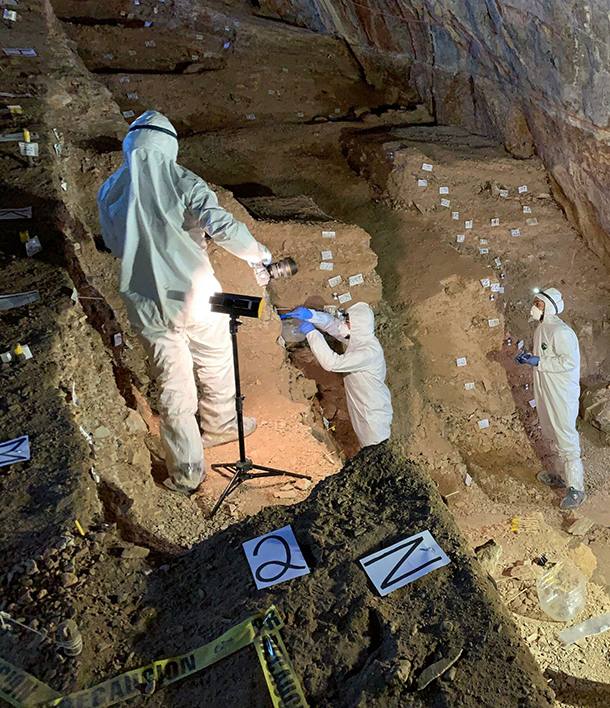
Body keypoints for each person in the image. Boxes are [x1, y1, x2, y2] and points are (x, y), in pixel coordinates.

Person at [97, 110, 273, 494]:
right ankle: (222, 424)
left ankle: (188, 470)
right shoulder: (183, 181)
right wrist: (258, 253)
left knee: (172, 383)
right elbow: (222, 226)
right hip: (196, 295)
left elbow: (112, 243)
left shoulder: (111, 189)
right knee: (215, 356)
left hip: (145, 300)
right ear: (168, 147)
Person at [280, 303, 392, 448]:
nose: (344, 323)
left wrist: (311, 333)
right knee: (365, 444)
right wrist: (312, 315)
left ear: (359, 325)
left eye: (348, 321)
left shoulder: (368, 351)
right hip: (361, 404)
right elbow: (334, 326)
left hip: (372, 412)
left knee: (374, 449)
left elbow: (332, 363)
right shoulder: (359, 338)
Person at [515, 288, 585, 509]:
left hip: (562, 393)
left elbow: (569, 362)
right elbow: (545, 356)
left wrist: (539, 362)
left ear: (550, 307)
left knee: (565, 437)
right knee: (550, 432)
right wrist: (530, 358)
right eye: (534, 303)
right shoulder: (541, 329)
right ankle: (559, 475)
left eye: (538, 304)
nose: (534, 307)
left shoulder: (561, 332)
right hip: (546, 390)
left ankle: (576, 489)